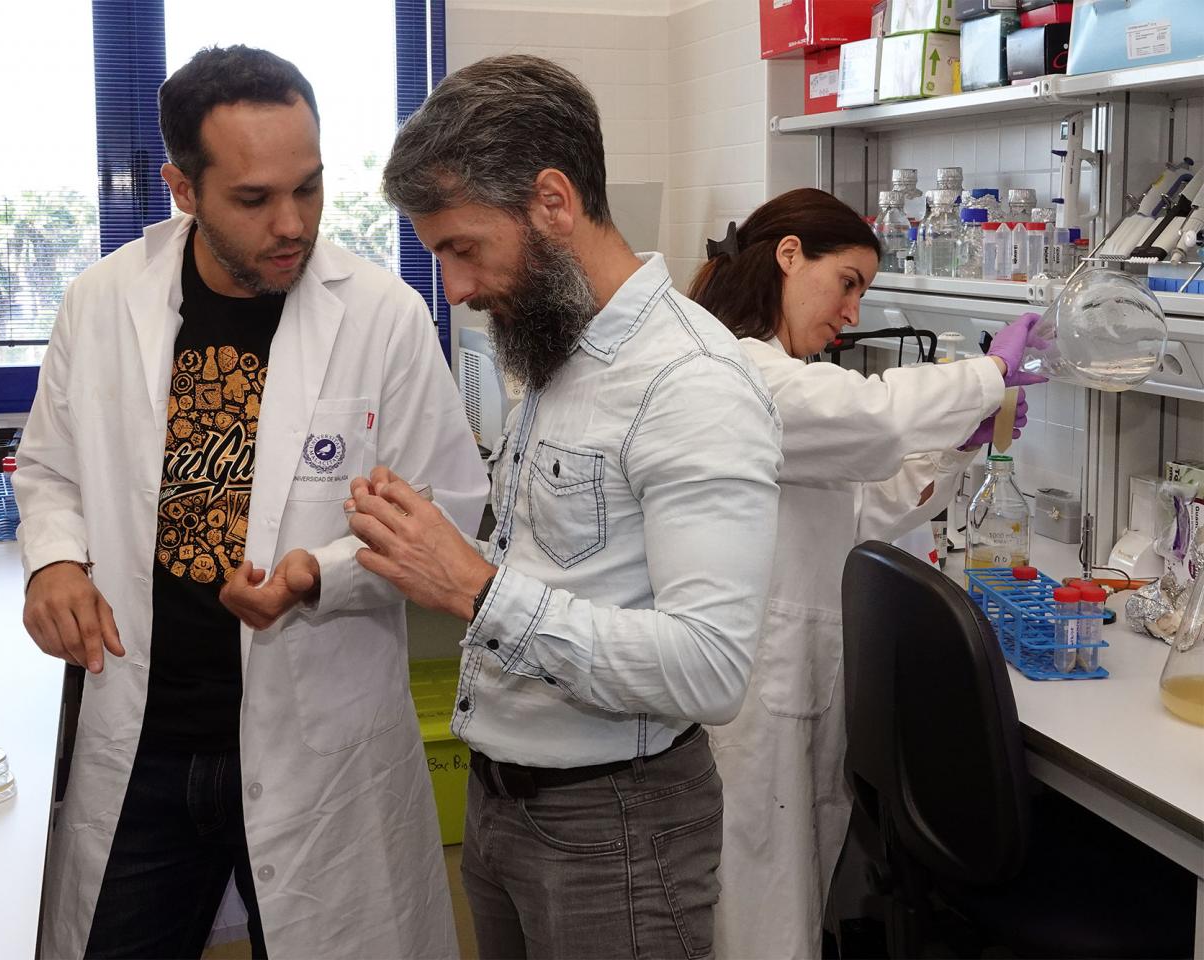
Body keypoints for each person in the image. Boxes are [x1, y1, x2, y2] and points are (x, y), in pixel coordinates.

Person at [15, 45, 487, 960]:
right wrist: (55, 559)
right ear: (183, 188)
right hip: (146, 737)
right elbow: (49, 470)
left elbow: (447, 507)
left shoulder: (382, 314)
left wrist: (320, 575)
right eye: (255, 198)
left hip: (318, 742)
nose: (293, 223)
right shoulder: (103, 303)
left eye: (309, 189)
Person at [352, 55, 784, 959]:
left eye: (463, 249)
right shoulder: (558, 349)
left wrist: (478, 589)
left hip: (616, 829)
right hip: (505, 804)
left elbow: (710, 670)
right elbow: (564, 561)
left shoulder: (688, 382)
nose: (456, 290)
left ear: (552, 201)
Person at [686, 187, 1044, 960]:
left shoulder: (782, 375)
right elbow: (873, 414)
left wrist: (959, 446)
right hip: (750, 700)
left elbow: (858, 508)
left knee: (784, 906)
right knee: (753, 921)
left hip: (793, 680)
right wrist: (986, 375)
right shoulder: (737, 371)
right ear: (788, 256)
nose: (853, 311)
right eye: (847, 281)